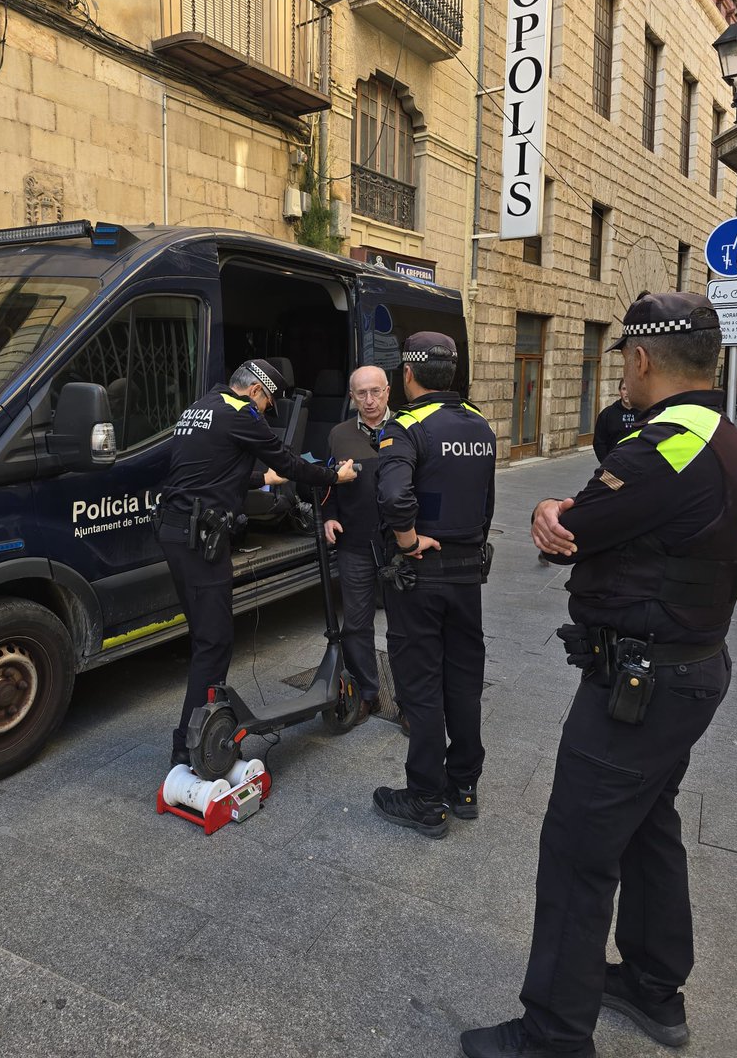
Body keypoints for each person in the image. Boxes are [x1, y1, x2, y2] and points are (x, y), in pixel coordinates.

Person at [461, 291, 737, 1058]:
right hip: (689, 669)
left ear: (643, 359)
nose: (623, 367)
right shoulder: (727, 437)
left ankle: (553, 1036)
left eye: (625, 355)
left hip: (639, 688)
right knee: (650, 825)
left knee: (578, 850)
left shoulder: (662, 448)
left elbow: (572, 532)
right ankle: (655, 987)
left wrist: (550, 511)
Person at [158, 359, 356, 767]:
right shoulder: (242, 414)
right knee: (215, 643)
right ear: (256, 392)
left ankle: (201, 729)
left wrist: (265, 479)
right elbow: (288, 461)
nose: (266, 413)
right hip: (201, 541)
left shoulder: (202, 406)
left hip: (176, 532)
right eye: (268, 404)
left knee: (203, 638)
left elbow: (211, 470)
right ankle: (192, 746)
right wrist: (334, 477)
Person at [372, 332, 496, 838]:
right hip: (469, 573)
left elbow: (395, 496)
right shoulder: (480, 425)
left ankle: (425, 797)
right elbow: (485, 500)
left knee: (421, 686)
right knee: (464, 682)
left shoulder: (405, 426)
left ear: (408, 374)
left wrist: (406, 542)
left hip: (420, 574)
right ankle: (463, 787)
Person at [323, 365, 391, 723]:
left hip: (399, 544)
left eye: (375, 392)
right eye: (361, 393)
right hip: (355, 542)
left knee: (406, 627)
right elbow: (331, 482)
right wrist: (329, 516)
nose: (369, 400)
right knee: (356, 624)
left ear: (388, 392)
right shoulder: (339, 434)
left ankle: (410, 703)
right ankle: (367, 694)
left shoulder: (407, 428)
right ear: (352, 397)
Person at [592, 378, 636, 461]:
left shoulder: (645, 413)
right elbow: (599, 442)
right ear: (619, 391)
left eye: (631, 389)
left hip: (638, 465)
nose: (627, 392)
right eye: (624, 389)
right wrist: (606, 462)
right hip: (614, 463)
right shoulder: (607, 414)